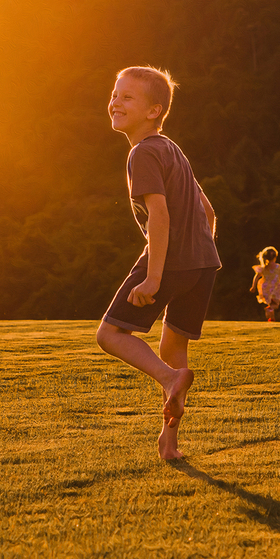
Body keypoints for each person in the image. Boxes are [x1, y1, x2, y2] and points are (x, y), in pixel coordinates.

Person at [95, 66, 222, 460]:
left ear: (154, 110)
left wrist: (154, 278)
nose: (116, 102)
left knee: (110, 335)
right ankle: (170, 442)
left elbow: (160, 216)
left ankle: (169, 380)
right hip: (203, 264)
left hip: (169, 262)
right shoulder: (172, 149)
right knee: (173, 348)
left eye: (127, 97)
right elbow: (208, 211)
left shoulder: (143, 153)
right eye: (115, 95)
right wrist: (197, 255)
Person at [250, 246, 280, 322]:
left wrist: (253, 286)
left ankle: (271, 318)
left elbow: (256, 276)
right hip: (275, 287)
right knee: (275, 304)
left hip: (265, 287)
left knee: (271, 303)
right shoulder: (278, 267)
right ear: (275, 257)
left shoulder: (264, 267)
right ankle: (270, 310)